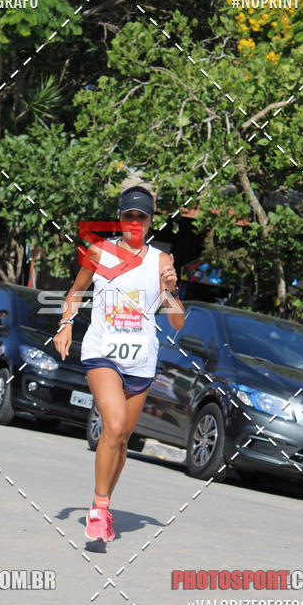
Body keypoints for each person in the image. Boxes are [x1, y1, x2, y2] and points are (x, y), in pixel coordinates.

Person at [53, 180, 185, 542]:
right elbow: (76, 291)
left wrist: (171, 289)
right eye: (129, 216)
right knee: (112, 425)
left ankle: (104, 504)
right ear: (120, 219)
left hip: (140, 358)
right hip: (102, 351)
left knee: (123, 437)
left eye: (142, 217)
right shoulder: (100, 252)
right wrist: (66, 324)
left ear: (151, 221)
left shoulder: (162, 261)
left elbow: (177, 321)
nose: (135, 223)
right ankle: (98, 509)